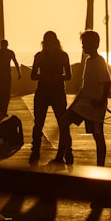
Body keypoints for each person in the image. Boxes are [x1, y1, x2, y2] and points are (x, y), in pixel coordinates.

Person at [62, 30, 111, 166]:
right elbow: (84, 87)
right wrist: (73, 105)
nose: (83, 46)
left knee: (98, 135)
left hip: (94, 106)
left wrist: (101, 101)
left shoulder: (99, 61)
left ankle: (100, 165)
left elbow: (108, 83)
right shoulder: (89, 61)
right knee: (64, 122)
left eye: (84, 44)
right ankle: (66, 153)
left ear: (93, 44)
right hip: (83, 104)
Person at [28, 30, 72, 164]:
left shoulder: (63, 56)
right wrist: (44, 77)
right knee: (38, 123)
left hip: (58, 92)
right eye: (47, 42)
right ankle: (36, 150)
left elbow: (69, 76)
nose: (50, 45)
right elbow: (33, 75)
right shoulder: (39, 56)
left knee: (63, 124)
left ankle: (67, 152)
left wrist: (57, 77)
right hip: (43, 92)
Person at [0, 39, 21, 116]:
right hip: (2, 74)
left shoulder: (2, 52)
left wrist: (19, 73)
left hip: (3, 74)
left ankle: (3, 110)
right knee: (2, 93)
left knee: (3, 93)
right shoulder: (5, 52)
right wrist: (19, 73)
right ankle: (3, 110)